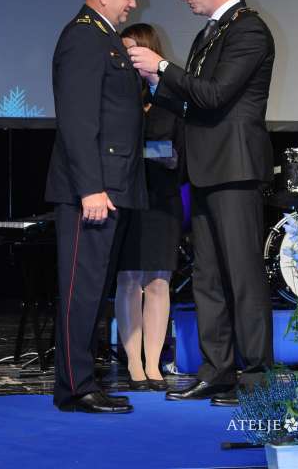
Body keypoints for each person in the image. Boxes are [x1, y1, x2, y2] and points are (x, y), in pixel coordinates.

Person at [128, 0, 274, 406]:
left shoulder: (249, 29)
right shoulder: (209, 33)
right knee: (207, 276)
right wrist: (157, 84)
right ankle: (217, 372)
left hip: (235, 169)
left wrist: (162, 66)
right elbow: (192, 105)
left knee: (243, 276)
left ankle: (256, 378)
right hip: (206, 169)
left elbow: (215, 95)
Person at [45, 0, 148, 414]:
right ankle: (76, 388)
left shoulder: (102, 37)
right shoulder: (84, 37)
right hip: (91, 190)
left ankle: (82, 381)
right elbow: (78, 119)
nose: (132, 3)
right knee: (81, 291)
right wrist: (90, 187)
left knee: (91, 289)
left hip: (109, 185)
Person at [115, 24, 184, 391]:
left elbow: (179, 151)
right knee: (128, 279)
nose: (127, 59)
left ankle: (154, 364)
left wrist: (151, 153)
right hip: (127, 198)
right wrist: (150, 152)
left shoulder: (173, 96)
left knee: (158, 281)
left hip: (162, 198)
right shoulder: (117, 94)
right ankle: (133, 364)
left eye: (132, 51)